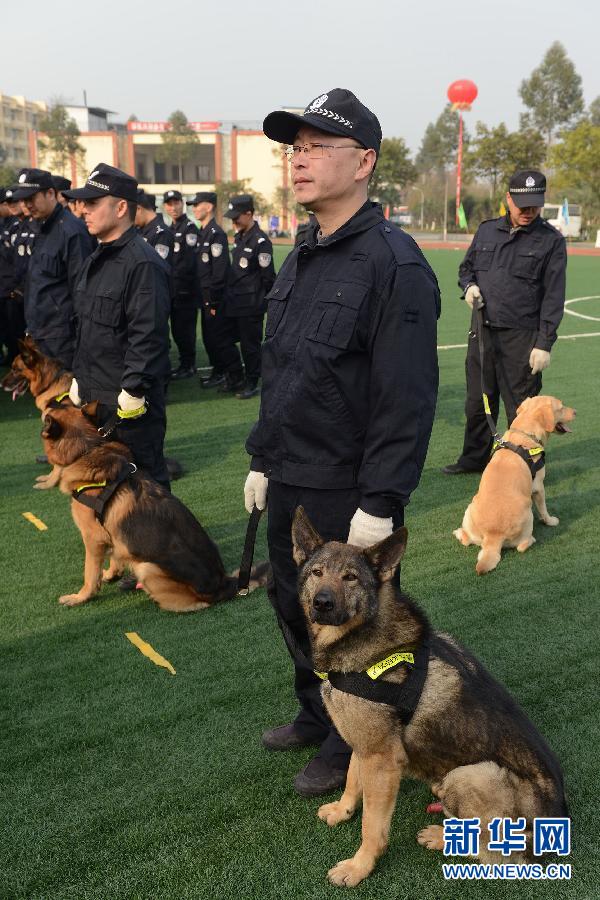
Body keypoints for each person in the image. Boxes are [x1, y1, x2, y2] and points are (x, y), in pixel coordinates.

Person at [243, 89, 440, 796]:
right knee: (296, 608)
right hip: (290, 473)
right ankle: (314, 710)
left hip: (346, 486)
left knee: (355, 625)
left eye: (316, 147)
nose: (299, 160)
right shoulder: (302, 255)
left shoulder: (395, 264)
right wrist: (262, 458)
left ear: (364, 163)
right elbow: (285, 370)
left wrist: (382, 502)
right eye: (295, 148)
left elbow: (406, 396)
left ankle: (350, 739)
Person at [442, 169, 567, 475]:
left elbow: (553, 297)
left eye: (535, 204)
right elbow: (466, 269)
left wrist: (544, 344)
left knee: (521, 409)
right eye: (522, 204)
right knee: (477, 402)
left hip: (523, 339)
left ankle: (527, 466)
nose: (528, 211)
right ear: (508, 199)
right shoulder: (486, 232)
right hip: (482, 333)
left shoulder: (550, 241)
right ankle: (474, 459)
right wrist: (469, 286)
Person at [67, 163, 171, 489]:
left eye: (93, 203)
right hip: (95, 396)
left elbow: (148, 334)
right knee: (106, 493)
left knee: (146, 493)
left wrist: (134, 389)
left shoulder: (142, 262)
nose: (84, 210)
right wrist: (78, 377)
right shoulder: (96, 260)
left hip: (128, 404)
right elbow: (86, 328)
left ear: (121, 206)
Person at [12, 168, 95, 368]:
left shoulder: (71, 231)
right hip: (41, 332)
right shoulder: (43, 227)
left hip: (63, 337)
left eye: (31, 198)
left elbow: (82, 289)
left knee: (65, 396)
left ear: (50, 194)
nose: (26, 205)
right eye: (23, 200)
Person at [223, 195, 275, 399]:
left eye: (237, 217)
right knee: (227, 339)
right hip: (235, 301)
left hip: (251, 304)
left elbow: (268, 277)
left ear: (249, 214)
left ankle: (252, 382)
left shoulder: (260, 241)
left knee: (250, 345)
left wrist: (264, 302)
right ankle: (237, 375)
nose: (233, 221)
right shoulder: (240, 237)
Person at [187, 191, 238, 389]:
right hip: (205, 297)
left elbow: (219, 272)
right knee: (210, 338)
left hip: (215, 298)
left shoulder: (216, 234)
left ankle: (231, 375)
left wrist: (214, 300)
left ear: (208, 207)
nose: (193, 209)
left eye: (196, 204)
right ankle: (219, 372)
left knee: (220, 338)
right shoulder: (204, 232)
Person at [163, 189, 199, 379]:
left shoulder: (189, 228)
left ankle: (189, 364)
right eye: (169, 203)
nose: (173, 207)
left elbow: (189, 264)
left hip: (185, 291)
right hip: (173, 291)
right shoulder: (170, 229)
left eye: (176, 202)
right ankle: (184, 363)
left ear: (182, 204)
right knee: (177, 331)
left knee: (185, 331)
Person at [135, 190, 174, 266]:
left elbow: (160, 267)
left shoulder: (161, 233)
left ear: (138, 209)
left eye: (131, 213)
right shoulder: (142, 229)